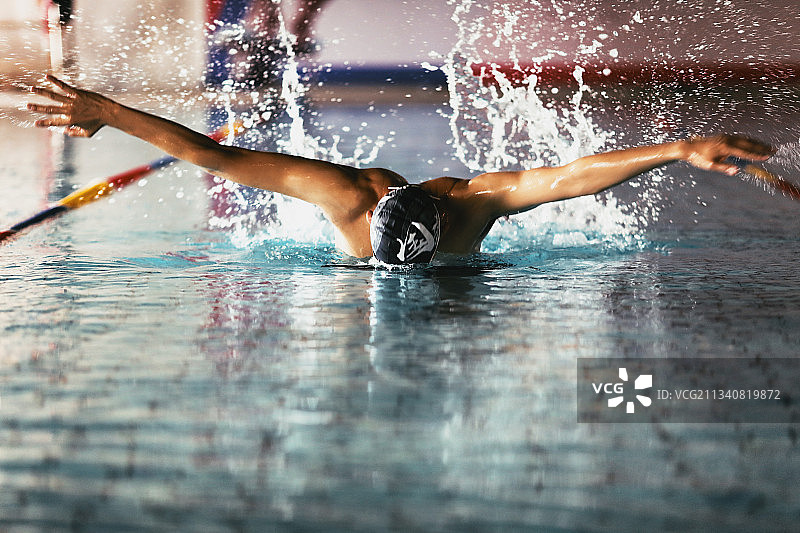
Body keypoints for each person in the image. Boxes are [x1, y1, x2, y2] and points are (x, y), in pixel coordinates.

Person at [27, 75, 773, 264]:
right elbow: (216, 157)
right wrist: (109, 112)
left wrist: (677, 148)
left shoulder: (472, 205)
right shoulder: (345, 199)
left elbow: (571, 175)